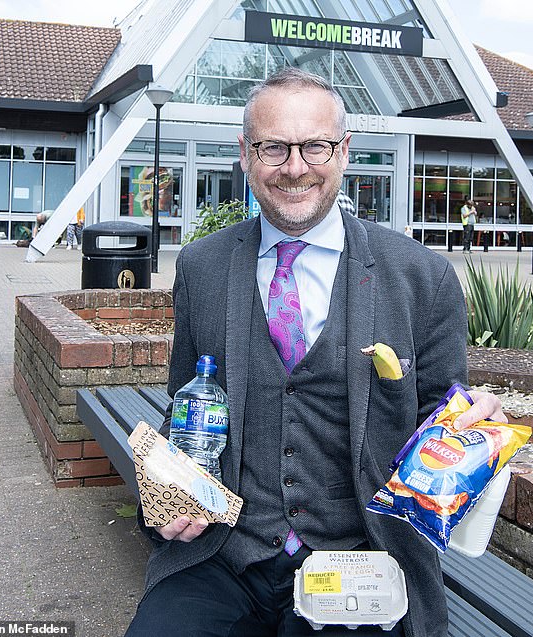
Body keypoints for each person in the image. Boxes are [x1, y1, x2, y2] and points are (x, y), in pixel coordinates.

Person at [125, 69, 506, 637]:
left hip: (363, 562)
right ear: (246, 155)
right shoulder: (201, 268)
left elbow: (439, 423)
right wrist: (165, 503)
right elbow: (184, 409)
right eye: (273, 147)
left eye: (315, 146)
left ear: (344, 151)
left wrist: (477, 426)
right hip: (226, 556)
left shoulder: (421, 277)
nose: (295, 167)